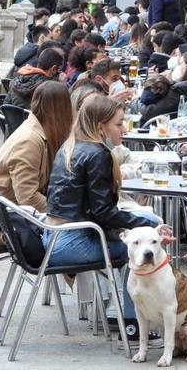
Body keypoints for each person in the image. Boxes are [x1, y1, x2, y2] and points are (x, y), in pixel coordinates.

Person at [44, 95, 164, 348]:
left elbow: (95, 210)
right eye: (119, 124)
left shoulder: (71, 145)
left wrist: (139, 223)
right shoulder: (98, 153)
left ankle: (136, 319)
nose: (124, 129)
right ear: (101, 126)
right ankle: (134, 324)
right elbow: (103, 213)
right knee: (142, 248)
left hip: (53, 235)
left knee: (145, 225)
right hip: (72, 242)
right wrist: (143, 226)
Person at [0, 81, 73, 211]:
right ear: (61, 111)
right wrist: (64, 212)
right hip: (9, 218)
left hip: (19, 212)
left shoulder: (42, 131)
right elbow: (28, 199)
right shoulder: (28, 141)